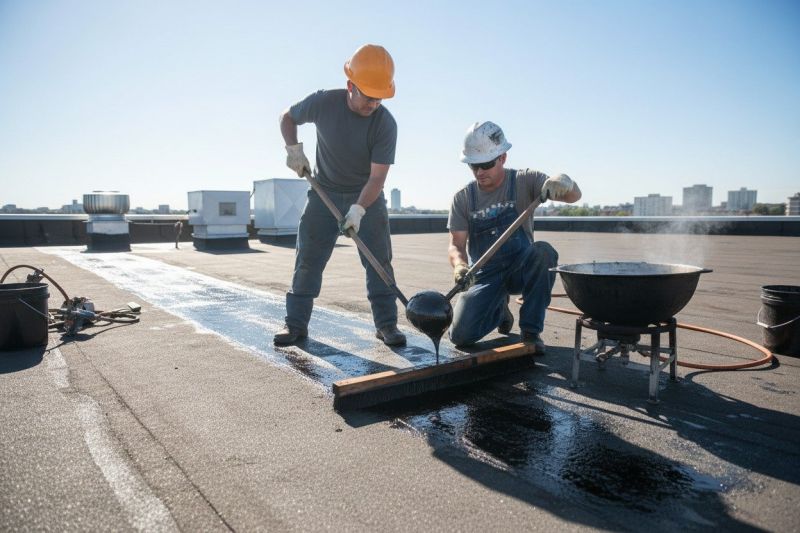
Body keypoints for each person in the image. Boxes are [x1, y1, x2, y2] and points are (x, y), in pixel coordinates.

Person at [273, 44, 406, 347]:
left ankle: (386, 325)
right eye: (368, 95)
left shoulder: (385, 123)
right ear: (350, 86)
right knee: (307, 260)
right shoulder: (323, 103)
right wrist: (293, 149)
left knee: (379, 263)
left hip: (366, 198)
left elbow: (377, 178)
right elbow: (287, 117)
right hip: (324, 194)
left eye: (380, 97)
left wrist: (359, 209)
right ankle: (295, 325)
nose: (374, 103)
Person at [447, 121, 581, 353]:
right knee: (460, 336)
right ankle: (498, 308)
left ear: (503, 158)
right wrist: (459, 265)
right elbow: (456, 244)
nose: (479, 172)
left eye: (486, 164)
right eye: (473, 166)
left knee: (543, 252)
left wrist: (564, 180)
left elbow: (574, 197)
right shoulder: (463, 198)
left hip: (521, 267)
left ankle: (530, 331)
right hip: (486, 275)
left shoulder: (524, 180)